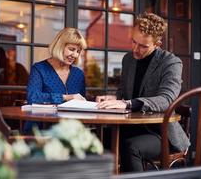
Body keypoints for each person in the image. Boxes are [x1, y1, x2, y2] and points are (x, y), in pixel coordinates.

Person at [96, 12, 190, 172]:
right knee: (95, 140)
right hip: (130, 127)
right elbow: (123, 93)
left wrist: (127, 103)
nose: (135, 49)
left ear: (158, 44)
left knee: (131, 147)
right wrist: (113, 98)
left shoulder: (171, 62)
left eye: (143, 46)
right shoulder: (128, 59)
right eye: (133, 41)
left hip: (160, 133)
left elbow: (166, 99)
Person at [26, 27, 87, 105]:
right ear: (59, 46)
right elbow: (32, 97)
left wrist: (97, 99)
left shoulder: (78, 74)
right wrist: (65, 97)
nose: (75, 55)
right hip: (45, 117)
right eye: (71, 49)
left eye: (78, 51)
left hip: (73, 117)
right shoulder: (39, 69)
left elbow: (83, 99)